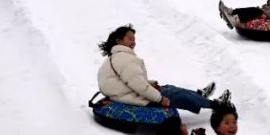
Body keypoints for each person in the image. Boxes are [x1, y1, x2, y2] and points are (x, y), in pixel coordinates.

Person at [96, 24, 226, 113]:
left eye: (134, 39)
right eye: (130, 39)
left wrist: (150, 84)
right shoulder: (124, 59)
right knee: (177, 94)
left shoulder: (116, 57)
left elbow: (129, 81)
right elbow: (139, 86)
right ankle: (217, 105)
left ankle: (200, 96)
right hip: (134, 98)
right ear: (119, 41)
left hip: (127, 94)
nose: (133, 42)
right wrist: (160, 99)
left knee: (169, 87)